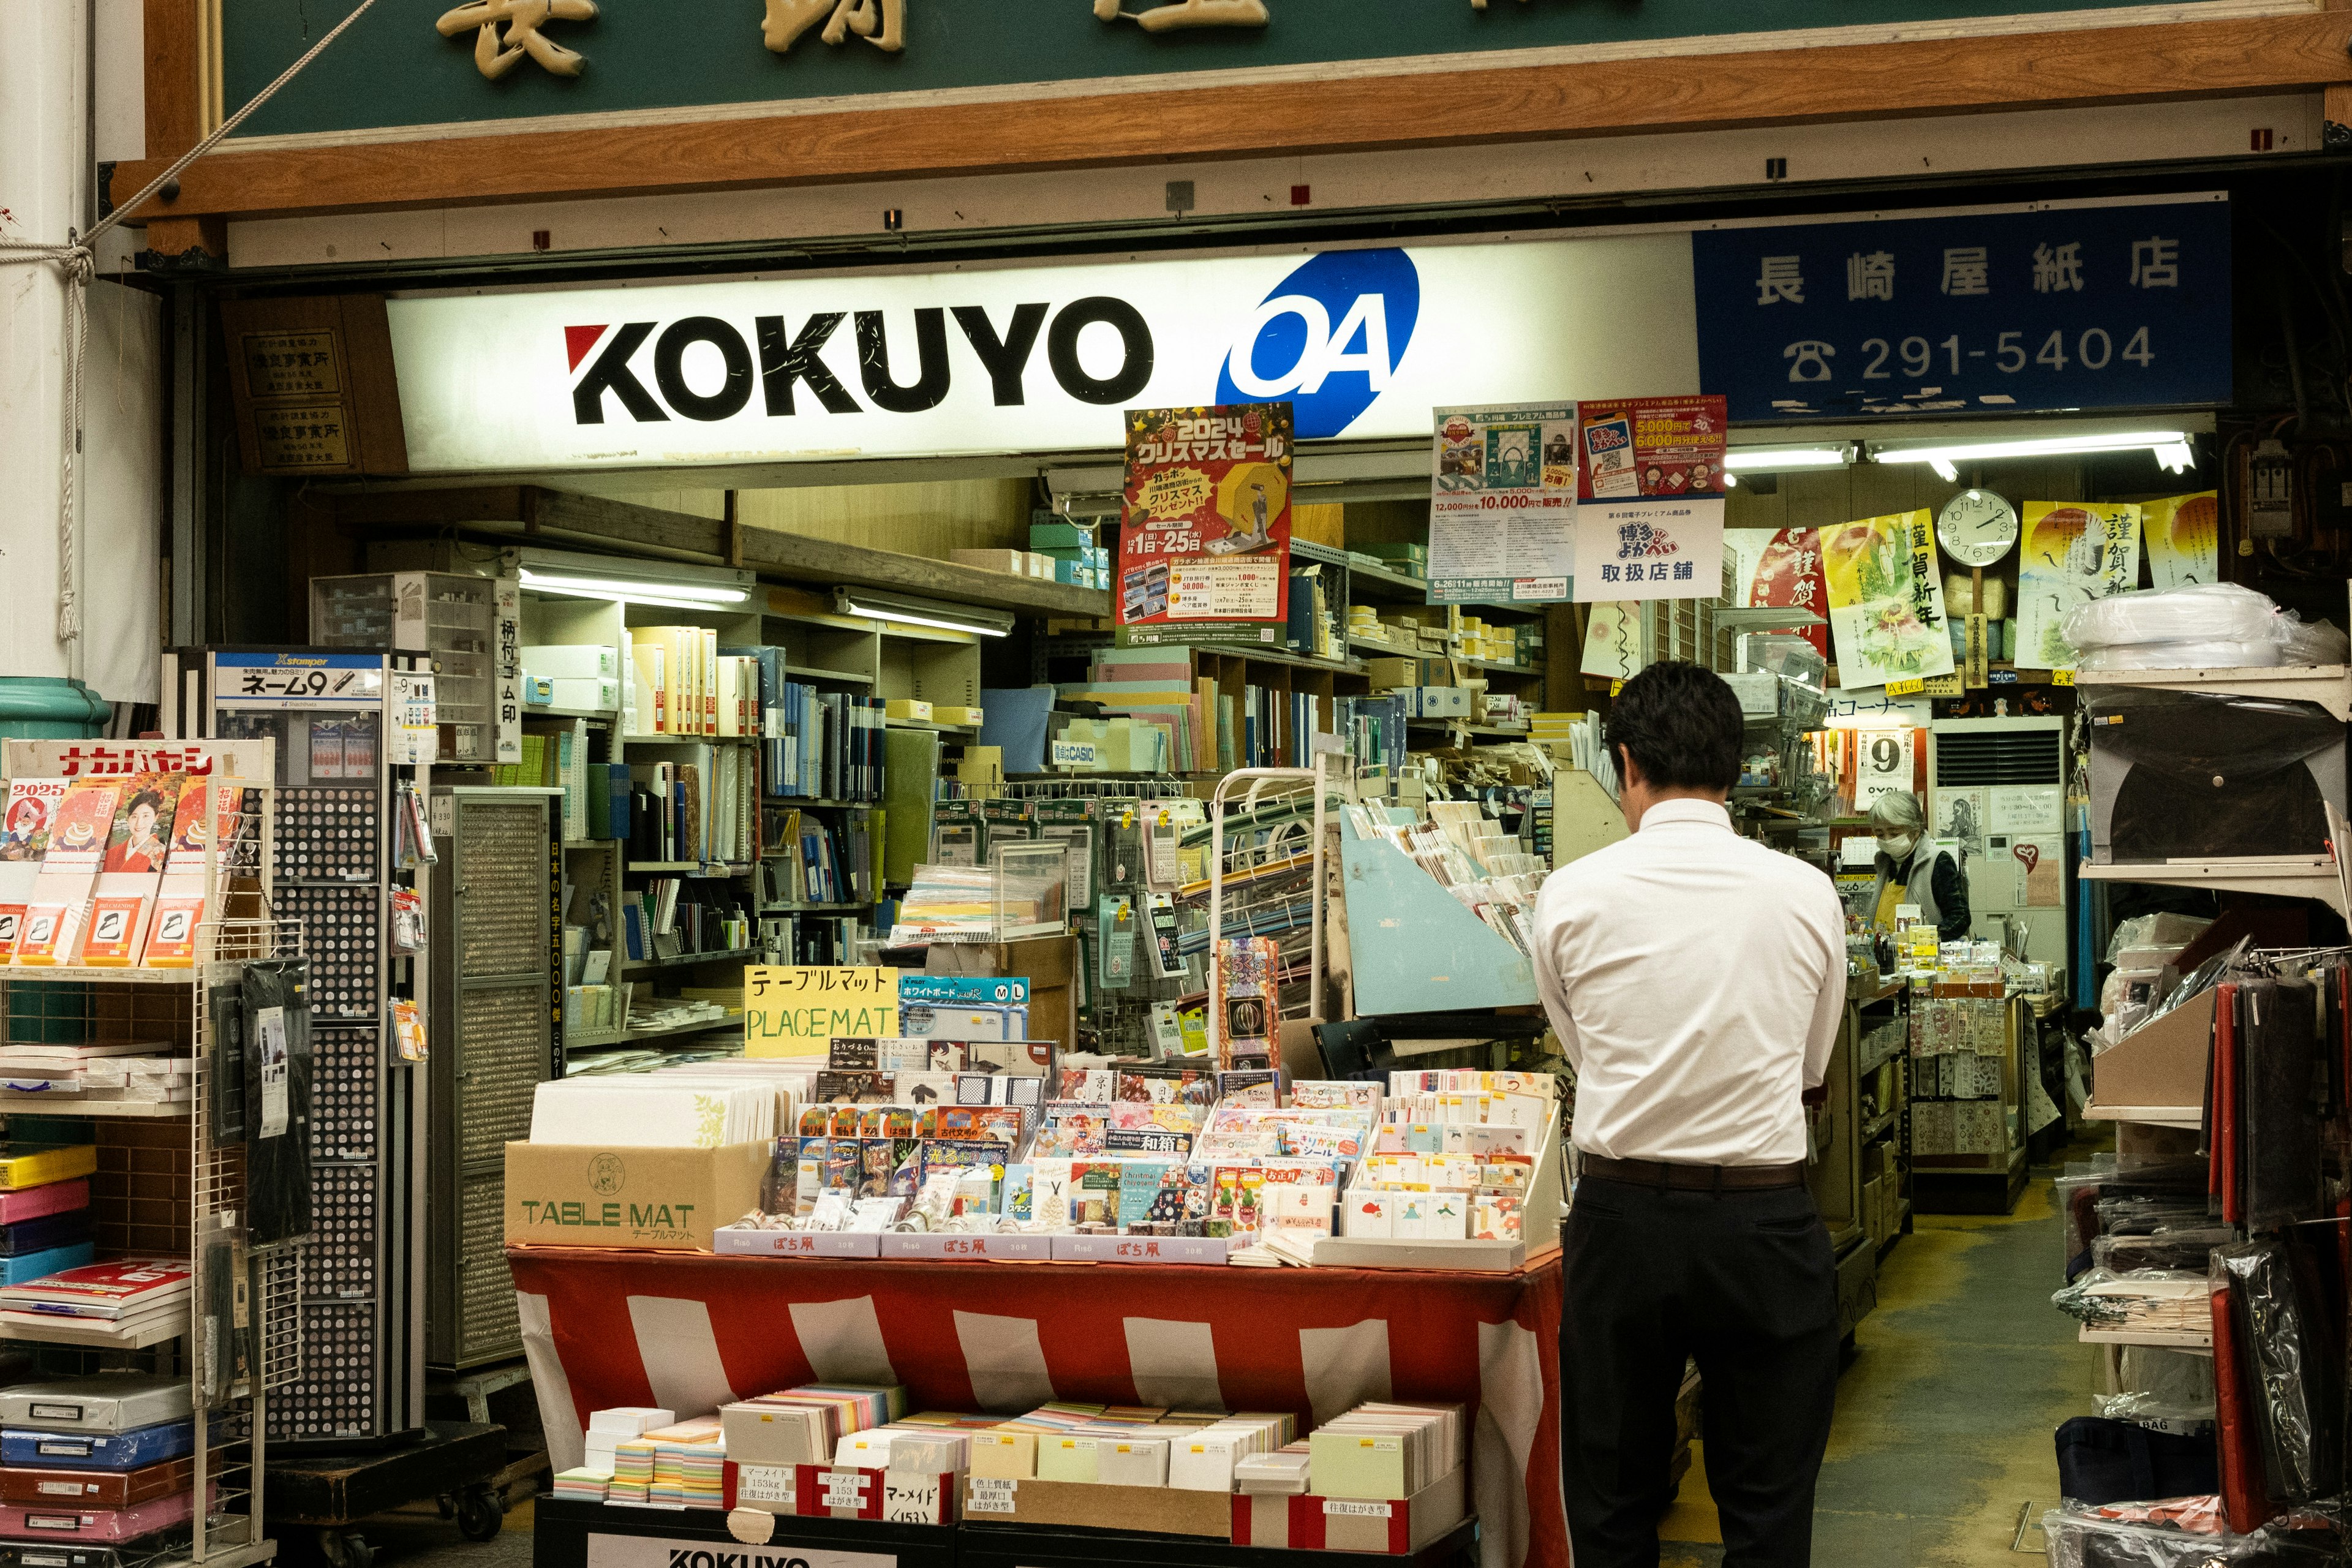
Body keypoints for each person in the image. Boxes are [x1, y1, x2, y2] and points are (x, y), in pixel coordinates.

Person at [1531, 660, 1846, 1568]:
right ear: (1738, 769)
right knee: (1769, 1505)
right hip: (1765, 1222)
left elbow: (1581, 1049)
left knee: (1613, 1498)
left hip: (1622, 1220)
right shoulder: (1804, 892)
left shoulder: (1570, 895)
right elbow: (1810, 1066)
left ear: (1624, 763)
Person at [1866, 791, 1970, 941]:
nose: (1887, 840)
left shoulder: (1938, 861)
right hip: (1886, 953)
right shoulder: (1884, 863)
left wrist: (1924, 939)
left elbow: (1960, 917)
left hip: (1922, 959)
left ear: (1915, 831)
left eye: (1894, 833)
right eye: (1880, 834)